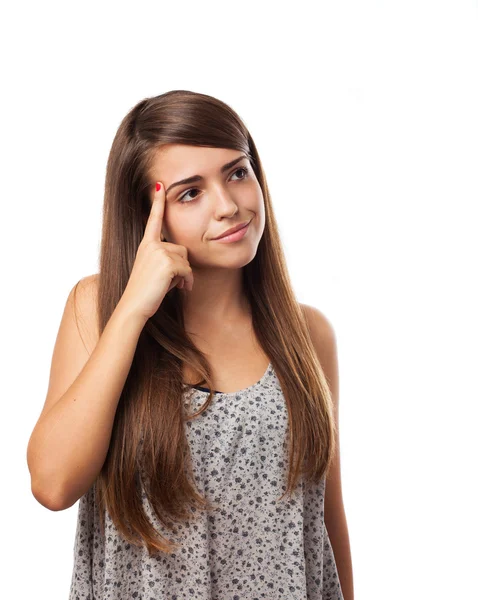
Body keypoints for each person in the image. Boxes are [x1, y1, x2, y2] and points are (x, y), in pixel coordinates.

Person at [26, 90, 354, 599]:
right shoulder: (97, 310)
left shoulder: (308, 335)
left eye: (237, 173)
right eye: (189, 193)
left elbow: (323, 518)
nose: (228, 206)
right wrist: (133, 308)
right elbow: (52, 484)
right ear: (146, 214)